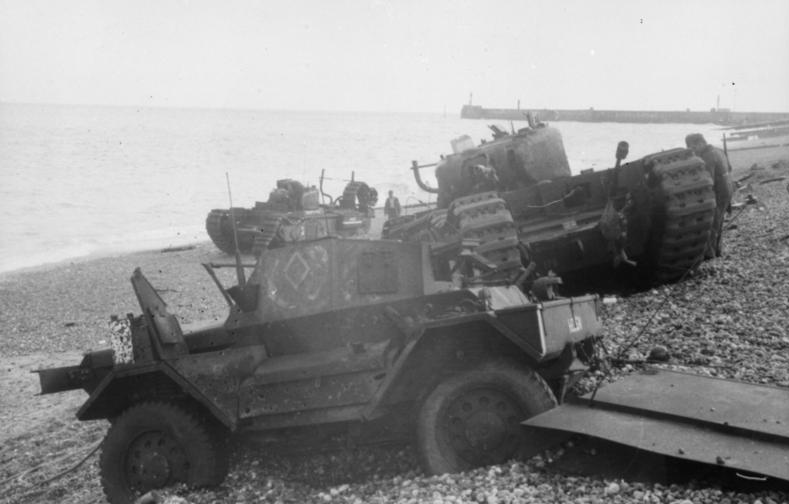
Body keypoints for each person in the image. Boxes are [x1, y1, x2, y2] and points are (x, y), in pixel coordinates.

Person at [685, 133, 733, 258]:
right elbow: (730, 168)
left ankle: (710, 255)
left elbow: (708, 179)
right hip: (727, 188)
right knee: (719, 221)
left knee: (712, 223)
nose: (693, 151)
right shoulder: (719, 150)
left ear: (701, 143)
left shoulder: (707, 156)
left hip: (719, 191)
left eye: (693, 147)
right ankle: (718, 250)